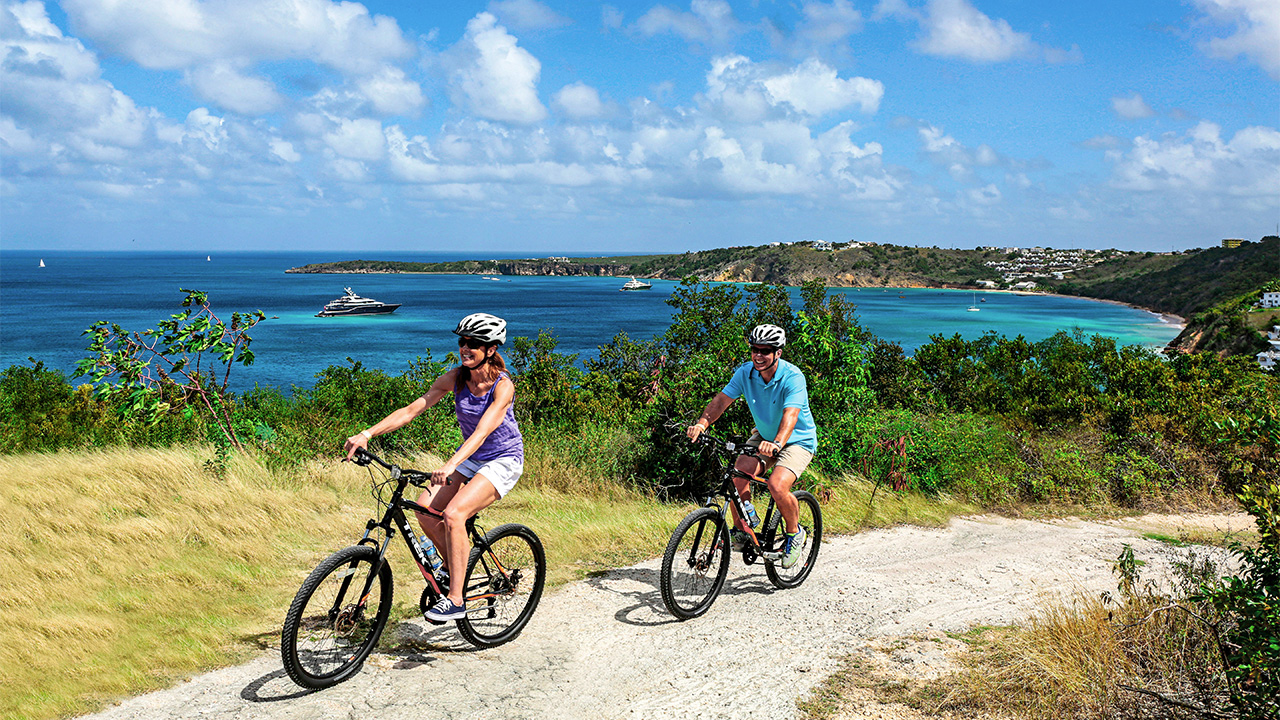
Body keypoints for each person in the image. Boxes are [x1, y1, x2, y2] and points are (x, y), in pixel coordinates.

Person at [344, 313, 523, 622]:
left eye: (473, 344)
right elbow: (413, 408)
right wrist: (367, 433)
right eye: (462, 342)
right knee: (424, 509)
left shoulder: (502, 387)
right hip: (469, 458)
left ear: (491, 349)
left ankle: (456, 599)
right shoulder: (456, 378)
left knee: (454, 515)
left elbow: (482, 432)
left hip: (502, 459)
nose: (465, 348)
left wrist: (450, 464)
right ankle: (456, 568)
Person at [686, 324, 817, 568]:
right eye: (754, 349)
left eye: (765, 351)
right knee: (737, 476)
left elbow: (791, 415)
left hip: (796, 441)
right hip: (764, 437)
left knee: (777, 486)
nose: (758, 355)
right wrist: (702, 424)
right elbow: (722, 401)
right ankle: (742, 529)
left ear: (778, 353)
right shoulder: (745, 373)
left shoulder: (793, 377)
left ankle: (794, 532)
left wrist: (777, 443)